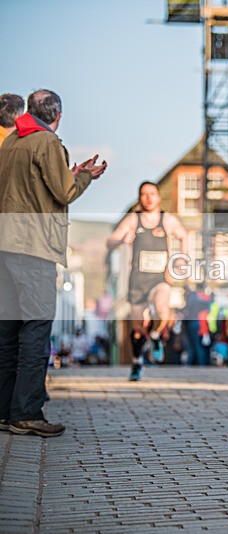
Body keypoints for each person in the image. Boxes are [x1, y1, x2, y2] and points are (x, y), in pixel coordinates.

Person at [0, 90, 107, 437]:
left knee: (7, 331)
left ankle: (5, 411)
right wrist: (85, 176)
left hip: (6, 245)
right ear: (57, 115)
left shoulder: (13, 141)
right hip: (33, 247)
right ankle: (27, 413)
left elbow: (34, 187)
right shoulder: (45, 141)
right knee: (35, 330)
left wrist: (69, 173)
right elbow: (63, 193)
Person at [107, 181, 188, 381]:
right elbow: (110, 241)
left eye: (152, 193)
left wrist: (179, 261)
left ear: (159, 197)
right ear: (139, 198)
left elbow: (184, 235)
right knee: (137, 329)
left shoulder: (166, 219)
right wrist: (122, 239)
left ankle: (155, 337)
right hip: (138, 280)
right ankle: (137, 362)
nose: (148, 198)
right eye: (144, 194)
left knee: (162, 310)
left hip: (161, 277)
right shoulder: (133, 220)